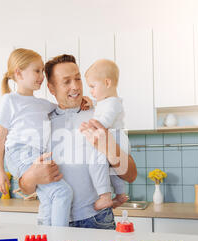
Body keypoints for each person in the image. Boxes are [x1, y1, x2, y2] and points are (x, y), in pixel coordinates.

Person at [18, 54, 137, 229]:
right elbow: (25, 188)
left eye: (78, 79)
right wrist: (31, 177)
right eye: (66, 82)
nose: (75, 87)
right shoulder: (40, 122)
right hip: (51, 219)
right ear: (51, 87)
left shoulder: (101, 115)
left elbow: (131, 174)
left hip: (96, 219)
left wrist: (109, 148)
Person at [0, 48, 90, 227]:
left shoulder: (43, 104)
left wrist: (84, 100)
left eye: (41, 71)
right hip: (20, 153)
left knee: (49, 198)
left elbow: (66, 104)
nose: (41, 76)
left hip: (37, 155)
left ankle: (47, 237)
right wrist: (0, 172)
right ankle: (60, 237)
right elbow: (0, 138)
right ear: (19, 73)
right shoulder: (10, 100)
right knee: (63, 193)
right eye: (36, 71)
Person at [84, 59, 128, 209]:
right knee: (112, 170)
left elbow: (105, 121)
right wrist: (92, 104)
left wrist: (91, 126)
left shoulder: (113, 103)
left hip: (112, 137)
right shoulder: (107, 101)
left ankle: (104, 196)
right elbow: (101, 107)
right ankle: (121, 194)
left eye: (93, 86)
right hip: (115, 137)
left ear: (107, 83)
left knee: (96, 164)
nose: (91, 91)